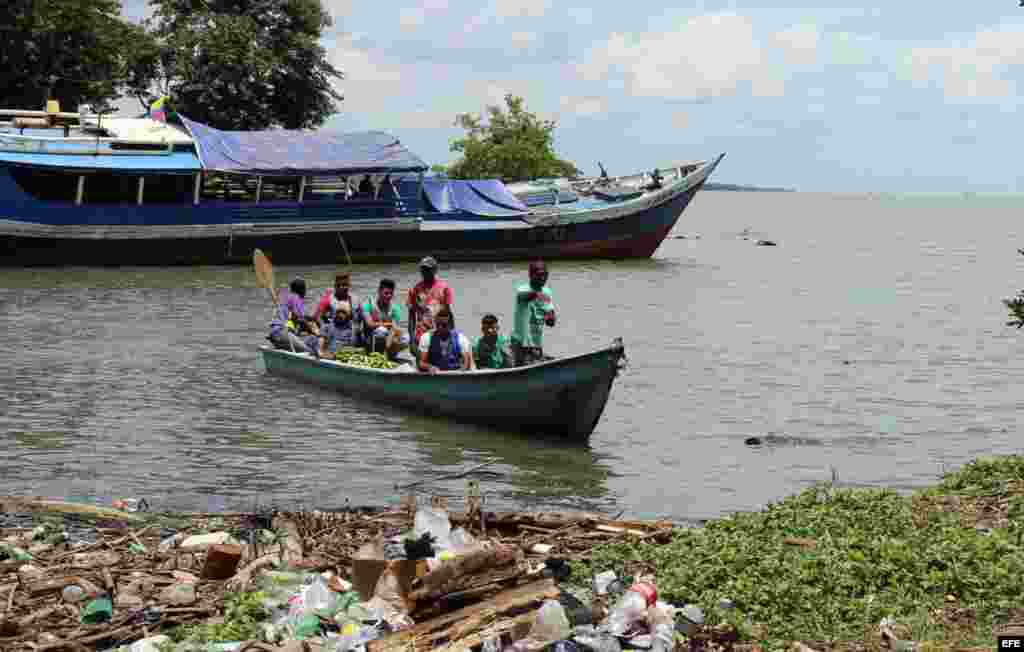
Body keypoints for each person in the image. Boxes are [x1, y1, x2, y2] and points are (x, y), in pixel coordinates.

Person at [406, 256, 454, 358]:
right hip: (421, 335)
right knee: (422, 365)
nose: (425, 272)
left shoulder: (444, 288)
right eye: (422, 269)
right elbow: (411, 316)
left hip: (440, 333)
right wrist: (411, 340)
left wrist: (453, 335)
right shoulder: (414, 290)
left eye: (428, 269)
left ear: (435, 270)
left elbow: (448, 313)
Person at [511, 260, 556, 367]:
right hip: (522, 343)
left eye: (545, 275)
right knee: (522, 373)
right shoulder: (522, 289)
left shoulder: (547, 292)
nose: (543, 278)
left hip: (537, 343)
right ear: (530, 275)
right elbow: (524, 296)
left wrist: (550, 317)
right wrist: (538, 295)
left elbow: (551, 321)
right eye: (540, 275)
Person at [269, 278, 319, 354]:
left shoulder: (286, 297)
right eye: (305, 289)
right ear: (301, 290)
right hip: (282, 332)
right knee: (309, 351)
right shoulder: (296, 298)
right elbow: (300, 319)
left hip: (274, 332)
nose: (305, 292)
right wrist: (314, 331)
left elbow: (293, 316)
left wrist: (311, 319)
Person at [361, 278, 409, 359]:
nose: (389, 296)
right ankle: (373, 354)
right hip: (370, 337)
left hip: (388, 336)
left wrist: (391, 340)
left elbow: (394, 328)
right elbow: (370, 324)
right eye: (386, 293)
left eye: (391, 293)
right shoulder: (367, 304)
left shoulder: (395, 308)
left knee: (406, 338)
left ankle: (388, 354)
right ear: (379, 291)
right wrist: (388, 324)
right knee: (381, 330)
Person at [417, 306, 474, 373]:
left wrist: (462, 370)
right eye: (438, 325)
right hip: (435, 376)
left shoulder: (460, 338)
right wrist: (429, 367)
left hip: (454, 375)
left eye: (444, 325)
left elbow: (467, 363)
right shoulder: (426, 337)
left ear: (451, 325)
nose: (440, 327)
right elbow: (421, 363)